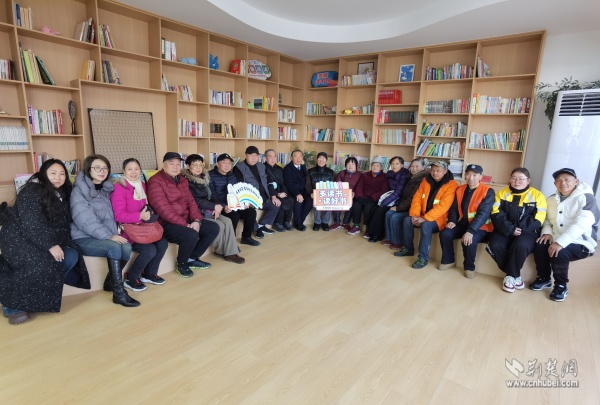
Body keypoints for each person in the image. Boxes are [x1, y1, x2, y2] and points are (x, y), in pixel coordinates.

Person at [0, 159, 90, 325]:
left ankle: (33, 299)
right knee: (40, 262)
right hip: (18, 237)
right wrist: (50, 245)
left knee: (70, 255)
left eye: (62, 174)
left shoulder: (63, 193)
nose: (58, 177)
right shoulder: (32, 190)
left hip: (39, 237)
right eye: (53, 173)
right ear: (43, 174)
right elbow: (32, 221)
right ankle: (11, 304)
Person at [70, 154, 139, 307]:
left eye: (105, 168)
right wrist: (109, 235)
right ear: (88, 169)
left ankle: (110, 282)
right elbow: (85, 220)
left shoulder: (106, 188)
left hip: (102, 235)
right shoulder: (79, 191)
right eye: (97, 168)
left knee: (126, 247)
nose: (102, 171)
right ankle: (119, 293)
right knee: (114, 247)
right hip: (82, 237)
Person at [147, 152, 220, 278]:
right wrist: (186, 225)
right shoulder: (155, 181)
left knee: (213, 228)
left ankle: (192, 258)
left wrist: (196, 220)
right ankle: (181, 264)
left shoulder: (182, 180)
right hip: (165, 223)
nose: (175, 167)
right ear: (163, 165)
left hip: (185, 219)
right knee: (191, 234)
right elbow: (164, 210)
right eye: (171, 164)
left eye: (178, 164)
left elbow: (191, 202)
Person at [531, 168, 599, 301]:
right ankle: (544, 278)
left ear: (576, 181)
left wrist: (560, 242)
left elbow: (582, 224)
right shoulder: (551, 199)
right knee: (540, 244)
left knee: (560, 252)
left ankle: (561, 286)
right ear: (555, 184)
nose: (563, 183)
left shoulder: (587, 198)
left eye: (567, 180)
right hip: (557, 237)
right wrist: (547, 233)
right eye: (559, 180)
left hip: (581, 241)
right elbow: (547, 220)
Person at [110, 158, 169, 291]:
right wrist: (139, 216)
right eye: (130, 169)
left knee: (162, 243)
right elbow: (118, 215)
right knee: (149, 250)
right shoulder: (119, 187)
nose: (133, 172)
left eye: (136, 169)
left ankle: (149, 274)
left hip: (144, 227)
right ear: (124, 171)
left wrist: (148, 213)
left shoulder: (141, 184)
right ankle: (131, 278)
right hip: (129, 231)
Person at [486, 167, 547, 293]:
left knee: (521, 245)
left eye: (521, 179)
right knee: (495, 244)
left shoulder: (537, 195)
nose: (516, 182)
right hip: (505, 229)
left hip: (527, 231)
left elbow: (538, 219)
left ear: (528, 180)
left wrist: (520, 229)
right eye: (513, 178)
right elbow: (496, 214)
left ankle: (510, 276)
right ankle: (515, 275)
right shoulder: (502, 193)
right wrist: (511, 229)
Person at [182, 154, 245, 264]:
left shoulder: (205, 177)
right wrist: (213, 206)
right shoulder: (186, 181)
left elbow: (213, 195)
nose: (198, 168)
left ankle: (231, 252)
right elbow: (194, 200)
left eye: (200, 165)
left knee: (228, 221)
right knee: (219, 224)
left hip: (209, 209)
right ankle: (221, 251)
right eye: (195, 165)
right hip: (197, 212)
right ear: (188, 166)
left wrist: (217, 206)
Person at [396, 161, 458, 269]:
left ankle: (423, 257)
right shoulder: (426, 180)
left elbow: (443, 206)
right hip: (422, 215)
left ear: (445, 171)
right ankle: (408, 248)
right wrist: (415, 215)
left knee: (426, 225)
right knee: (407, 220)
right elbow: (417, 198)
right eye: (433, 170)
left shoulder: (452, 185)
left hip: (439, 219)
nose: (435, 173)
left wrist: (425, 218)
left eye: (438, 170)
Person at [438, 164, 495, 278]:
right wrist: (453, 221)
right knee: (445, 233)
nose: (471, 178)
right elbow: (454, 208)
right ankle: (449, 260)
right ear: (465, 175)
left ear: (481, 176)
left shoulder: (488, 191)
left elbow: (483, 214)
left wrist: (471, 231)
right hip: (463, 223)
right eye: (468, 174)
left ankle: (469, 267)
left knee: (469, 240)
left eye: (474, 175)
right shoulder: (460, 189)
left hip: (481, 227)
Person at [209, 153, 260, 246]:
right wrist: (224, 206)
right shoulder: (210, 175)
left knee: (251, 212)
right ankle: (230, 243)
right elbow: (212, 195)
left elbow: (238, 190)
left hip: (234, 204)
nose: (227, 165)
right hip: (220, 205)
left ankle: (246, 237)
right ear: (217, 164)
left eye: (229, 163)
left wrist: (244, 202)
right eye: (224, 162)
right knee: (234, 216)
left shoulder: (232, 174)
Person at [382, 158, 428, 250]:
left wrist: (398, 208)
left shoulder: (422, 180)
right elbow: (404, 195)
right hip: (406, 206)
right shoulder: (410, 177)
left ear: (423, 167)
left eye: (417, 166)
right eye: (412, 166)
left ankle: (397, 242)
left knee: (395, 216)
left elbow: (412, 199)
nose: (414, 168)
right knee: (388, 213)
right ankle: (389, 238)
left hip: (415, 210)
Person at [233, 146, 279, 237]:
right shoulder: (238, 168)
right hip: (250, 199)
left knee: (276, 205)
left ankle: (261, 225)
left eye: (256, 155)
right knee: (250, 212)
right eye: (251, 155)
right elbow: (239, 186)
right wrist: (247, 201)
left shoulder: (262, 166)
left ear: (259, 156)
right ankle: (256, 229)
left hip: (264, 197)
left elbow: (269, 182)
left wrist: (273, 196)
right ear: (246, 156)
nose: (254, 158)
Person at [365, 156, 410, 242]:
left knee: (380, 210)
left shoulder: (404, 175)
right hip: (390, 197)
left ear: (402, 165)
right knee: (374, 208)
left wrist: (384, 202)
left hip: (398, 200)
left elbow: (398, 192)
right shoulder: (389, 174)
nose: (394, 166)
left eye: (397, 164)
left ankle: (376, 234)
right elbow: (387, 188)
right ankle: (373, 232)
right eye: (392, 164)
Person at [347, 157, 389, 235]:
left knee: (368, 207)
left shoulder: (384, 177)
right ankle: (356, 225)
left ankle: (368, 228)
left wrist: (373, 198)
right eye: (373, 165)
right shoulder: (365, 175)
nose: (375, 167)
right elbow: (359, 186)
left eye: (377, 165)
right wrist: (359, 196)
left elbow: (384, 190)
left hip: (374, 199)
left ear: (381, 168)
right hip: (363, 197)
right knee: (356, 205)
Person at [264, 149, 294, 232]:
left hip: (280, 192)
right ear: (265, 158)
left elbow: (282, 183)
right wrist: (277, 194)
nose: (273, 158)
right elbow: (266, 185)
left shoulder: (279, 169)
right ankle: (277, 222)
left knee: (291, 199)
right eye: (270, 156)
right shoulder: (263, 168)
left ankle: (286, 221)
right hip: (270, 193)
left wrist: (284, 192)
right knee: (279, 201)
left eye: (274, 156)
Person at [282, 150, 313, 231]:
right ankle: (298, 224)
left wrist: (309, 193)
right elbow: (289, 184)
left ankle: (299, 221)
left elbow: (307, 182)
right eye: (296, 156)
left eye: (300, 156)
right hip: (292, 192)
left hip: (303, 191)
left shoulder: (303, 167)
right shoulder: (287, 168)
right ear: (291, 158)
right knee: (298, 201)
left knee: (310, 201)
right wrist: (297, 194)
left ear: (302, 158)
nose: (298, 159)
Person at [331, 156, 363, 230]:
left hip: (353, 195)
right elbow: (338, 183)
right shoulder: (341, 173)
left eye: (353, 164)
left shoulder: (359, 175)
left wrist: (354, 193)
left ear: (356, 166)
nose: (350, 166)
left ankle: (345, 223)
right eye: (348, 164)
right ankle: (337, 223)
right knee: (336, 201)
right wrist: (343, 192)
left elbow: (359, 186)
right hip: (341, 193)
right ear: (345, 165)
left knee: (352, 203)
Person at [307, 151, 335, 231]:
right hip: (314, 193)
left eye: (323, 159)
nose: (321, 161)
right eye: (319, 159)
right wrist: (311, 193)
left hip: (327, 194)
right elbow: (308, 184)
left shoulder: (331, 172)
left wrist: (328, 194)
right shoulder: (310, 171)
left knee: (330, 203)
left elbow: (332, 185)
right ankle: (317, 222)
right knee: (316, 203)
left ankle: (325, 222)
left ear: (326, 161)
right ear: (317, 160)